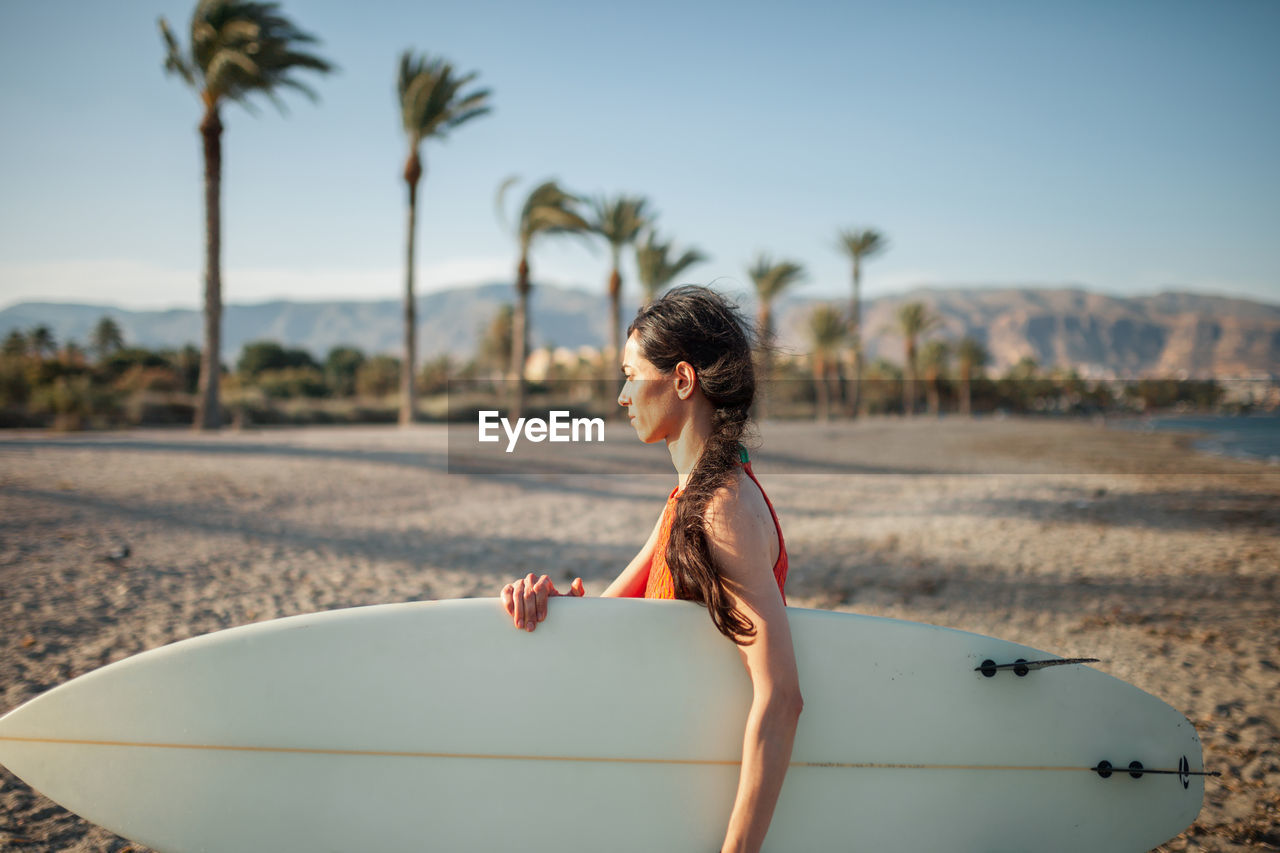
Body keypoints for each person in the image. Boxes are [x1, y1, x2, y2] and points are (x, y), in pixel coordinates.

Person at [500, 285, 802, 853]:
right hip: (661, 779)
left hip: (696, 797)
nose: (621, 396)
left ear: (682, 381)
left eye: (632, 375)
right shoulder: (685, 502)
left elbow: (781, 694)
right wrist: (548, 603)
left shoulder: (723, 508)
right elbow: (611, 619)